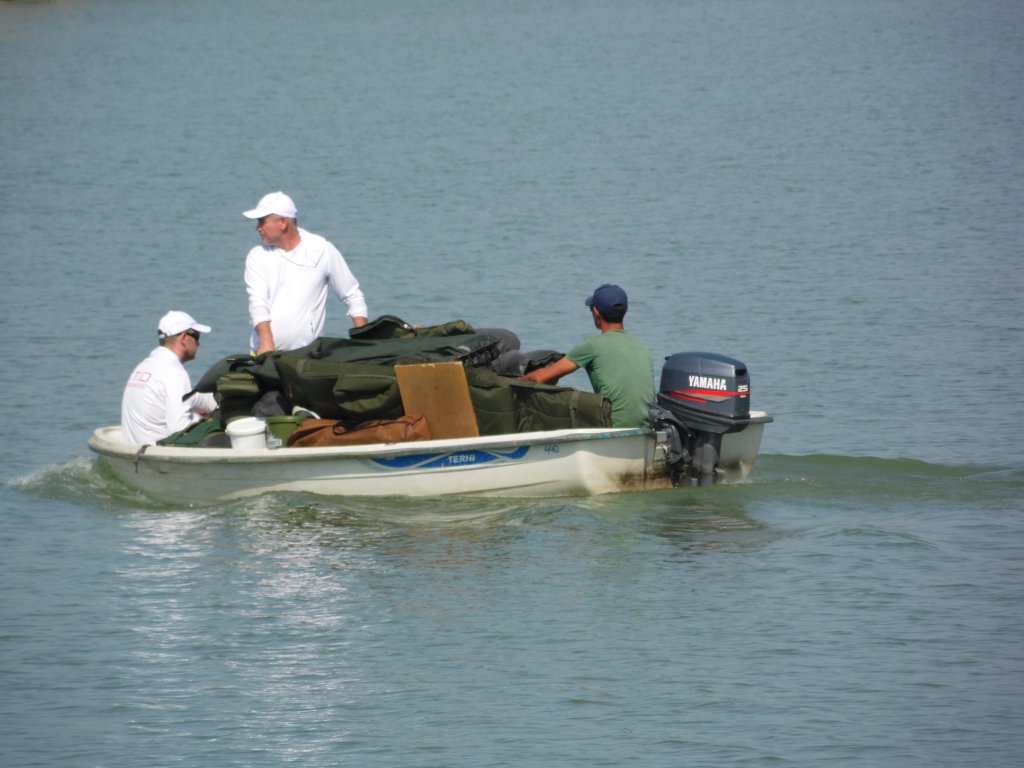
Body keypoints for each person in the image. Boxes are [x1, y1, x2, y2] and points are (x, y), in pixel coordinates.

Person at [242, 191, 368, 354]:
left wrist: (363, 344)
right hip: (265, 353)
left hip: (308, 356)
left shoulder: (321, 249)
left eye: (262, 221)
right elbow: (258, 302)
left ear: (283, 222)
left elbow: (352, 296)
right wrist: (266, 343)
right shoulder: (256, 256)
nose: (258, 228)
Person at [521, 284, 655, 427]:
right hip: (647, 428)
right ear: (626, 311)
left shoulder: (592, 345)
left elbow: (540, 378)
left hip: (614, 428)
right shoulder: (642, 346)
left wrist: (515, 381)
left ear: (596, 312)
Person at [121, 311, 219, 445]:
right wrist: (207, 420)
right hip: (156, 451)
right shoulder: (175, 373)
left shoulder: (143, 366)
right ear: (184, 338)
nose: (199, 343)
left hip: (134, 447)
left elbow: (193, 398)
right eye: (196, 336)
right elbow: (179, 431)